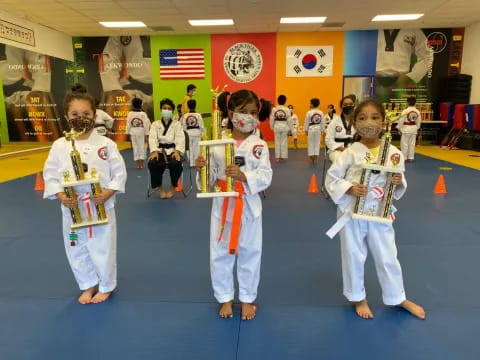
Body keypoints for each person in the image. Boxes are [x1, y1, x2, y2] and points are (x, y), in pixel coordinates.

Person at [325, 99, 425, 320]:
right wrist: (349, 188)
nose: (368, 123)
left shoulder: (394, 153)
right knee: (353, 255)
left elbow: (397, 184)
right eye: (361, 118)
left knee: (388, 255)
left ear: (383, 123)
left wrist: (399, 180)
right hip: (352, 213)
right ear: (354, 124)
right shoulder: (349, 152)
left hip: (380, 212)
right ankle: (358, 296)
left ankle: (397, 296)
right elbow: (331, 179)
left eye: (374, 117)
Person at [42, 90, 127, 305]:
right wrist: (61, 195)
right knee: (75, 246)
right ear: (66, 116)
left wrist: (108, 192)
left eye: (86, 114)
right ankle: (87, 283)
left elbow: (119, 173)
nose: (81, 118)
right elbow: (50, 174)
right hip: (72, 208)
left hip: (100, 204)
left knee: (103, 246)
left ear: (95, 115)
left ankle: (106, 285)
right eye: (75, 113)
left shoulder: (106, 145)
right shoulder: (60, 146)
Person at [195, 89, 272, 321]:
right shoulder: (217, 143)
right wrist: (202, 168)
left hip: (248, 204)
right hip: (223, 204)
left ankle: (247, 298)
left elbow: (266, 176)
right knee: (220, 252)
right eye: (242, 112)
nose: (247, 117)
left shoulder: (259, 145)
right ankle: (225, 297)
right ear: (230, 112)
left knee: (250, 251)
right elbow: (206, 183)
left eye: (252, 113)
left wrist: (244, 175)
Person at [376, 29, 434, 102]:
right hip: (375, 80)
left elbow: (427, 54)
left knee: (403, 109)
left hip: (401, 81)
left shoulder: (413, 29)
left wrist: (412, 76)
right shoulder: (372, 27)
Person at [148, 98, 185, 199]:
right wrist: (154, 151)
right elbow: (152, 138)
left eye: (169, 109)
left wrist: (177, 151)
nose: (167, 110)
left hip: (173, 151)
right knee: (153, 163)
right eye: (164, 108)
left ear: (172, 111)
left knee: (176, 164)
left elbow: (180, 138)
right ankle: (160, 188)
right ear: (161, 110)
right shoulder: (155, 124)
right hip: (160, 151)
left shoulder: (177, 124)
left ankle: (173, 187)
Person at [325, 95, 356, 163]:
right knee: (341, 161)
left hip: (354, 150)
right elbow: (328, 140)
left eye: (350, 104)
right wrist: (342, 149)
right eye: (345, 104)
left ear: (354, 105)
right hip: (337, 151)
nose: (348, 106)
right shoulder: (334, 122)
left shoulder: (358, 122)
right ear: (341, 106)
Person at [126, 97, 151, 169]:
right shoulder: (143, 114)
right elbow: (146, 125)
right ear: (141, 105)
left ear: (133, 105)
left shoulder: (130, 113)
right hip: (141, 131)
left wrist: (127, 133)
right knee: (142, 147)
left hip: (133, 131)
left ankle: (137, 164)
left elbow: (128, 124)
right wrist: (147, 135)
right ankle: (141, 164)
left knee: (135, 147)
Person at [397, 96, 422, 163]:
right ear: (415, 103)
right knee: (412, 143)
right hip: (413, 129)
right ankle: (411, 157)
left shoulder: (405, 111)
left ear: (407, 103)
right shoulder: (417, 111)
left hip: (406, 128)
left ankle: (404, 158)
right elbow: (419, 121)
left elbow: (401, 120)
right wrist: (417, 128)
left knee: (404, 143)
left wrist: (399, 128)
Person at [182, 99, 205, 166]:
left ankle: (191, 163)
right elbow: (201, 125)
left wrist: (185, 133)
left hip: (188, 133)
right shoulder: (198, 115)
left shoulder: (185, 116)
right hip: (197, 133)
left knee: (189, 148)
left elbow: (184, 126)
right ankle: (196, 162)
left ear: (188, 106)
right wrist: (203, 132)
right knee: (197, 148)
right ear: (195, 106)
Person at [270, 95, 292, 162]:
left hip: (276, 126)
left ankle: (277, 157)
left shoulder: (274, 109)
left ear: (278, 101)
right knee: (283, 142)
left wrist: (272, 126)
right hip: (284, 126)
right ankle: (283, 157)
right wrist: (290, 129)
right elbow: (289, 120)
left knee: (277, 142)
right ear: (285, 101)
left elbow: (272, 119)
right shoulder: (287, 109)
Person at [304, 98, 325, 163]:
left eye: (310, 103)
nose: (309, 105)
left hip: (311, 128)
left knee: (311, 142)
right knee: (317, 142)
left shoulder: (309, 112)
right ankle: (316, 156)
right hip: (318, 128)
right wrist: (322, 130)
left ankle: (311, 156)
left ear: (312, 104)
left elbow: (306, 122)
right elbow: (322, 122)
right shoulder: (321, 112)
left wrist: (306, 130)